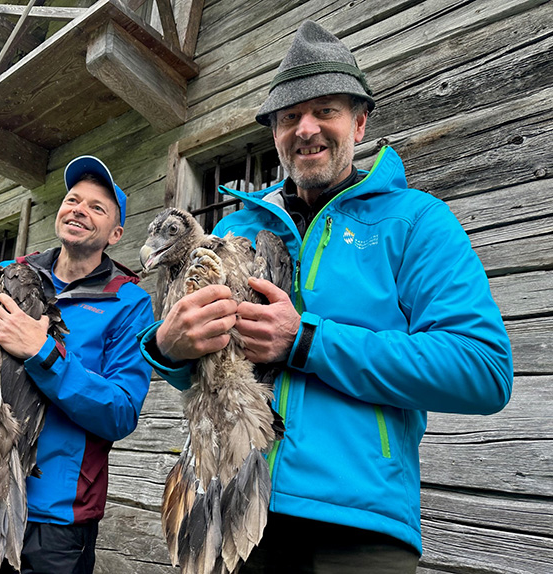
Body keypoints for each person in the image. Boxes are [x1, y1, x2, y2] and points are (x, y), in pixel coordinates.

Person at [138, 20, 513, 574]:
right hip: (229, 495)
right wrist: (168, 348)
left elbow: (482, 370)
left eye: (326, 111)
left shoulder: (416, 222)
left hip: (358, 529)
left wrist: (308, 341)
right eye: (290, 117)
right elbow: (203, 368)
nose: (306, 128)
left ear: (359, 123)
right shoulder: (235, 231)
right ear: (274, 134)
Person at [0, 156, 154, 574]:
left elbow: (120, 412)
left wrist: (44, 353)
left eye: (97, 207)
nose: (79, 208)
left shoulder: (130, 304)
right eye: (72, 199)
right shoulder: (3, 275)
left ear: (116, 233)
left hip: (55, 519)